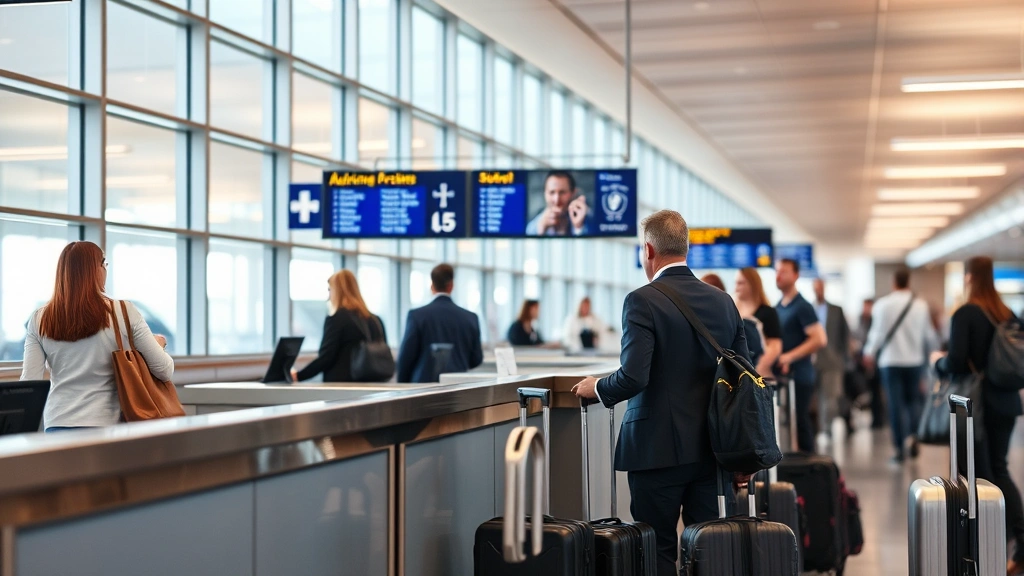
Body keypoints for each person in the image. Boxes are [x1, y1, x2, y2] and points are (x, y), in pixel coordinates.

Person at [571, 210, 750, 576]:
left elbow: (634, 376)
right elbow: (744, 376)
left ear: (648, 250)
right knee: (713, 550)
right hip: (714, 450)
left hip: (656, 452)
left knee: (657, 552)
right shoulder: (723, 303)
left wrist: (597, 388)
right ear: (686, 248)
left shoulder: (642, 300)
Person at [931, 257, 1024, 574]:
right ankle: (1019, 544)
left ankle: (984, 545)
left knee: (978, 477)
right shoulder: (1007, 313)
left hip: (975, 407)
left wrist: (937, 363)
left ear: (969, 277)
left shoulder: (966, 313)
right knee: (999, 470)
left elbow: (956, 360)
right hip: (1006, 402)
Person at [20, 241, 173, 431]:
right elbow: (164, 370)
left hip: (58, 425)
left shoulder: (40, 318)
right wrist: (159, 344)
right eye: (104, 264)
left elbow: (29, 382)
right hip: (107, 427)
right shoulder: (123, 311)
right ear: (97, 269)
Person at [863, 268, 937, 462]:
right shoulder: (920, 306)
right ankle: (913, 437)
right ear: (908, 282)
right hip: (914, 361)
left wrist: (868, 353)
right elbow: (929, 335)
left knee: (895, 405)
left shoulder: (882, 305)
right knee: (914, 402)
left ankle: (898, 448)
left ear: (894, 282)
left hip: (890, 361)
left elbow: (877, 334)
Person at [290, 270, 387, 383]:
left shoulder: (337, 319)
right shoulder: (375, 320)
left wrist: (299, 376)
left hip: (342, 386)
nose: (328, 297)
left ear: (337, 291)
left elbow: (326, 358)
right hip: (373, 383)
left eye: (330, 290)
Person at [396, 264, 483, 383]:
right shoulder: (470, 318)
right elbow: (476, 359)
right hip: (459, 387)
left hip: (422, 389)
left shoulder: (417, 316)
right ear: (451, 286)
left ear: (432, 286)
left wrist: (402, 387)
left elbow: (406, 358)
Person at [774, 258, 827, 453]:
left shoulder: (802, 306)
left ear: (796, 276)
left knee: (801, 421)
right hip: (784, 376)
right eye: (777, 271)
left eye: (784, 272)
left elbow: (820, 339)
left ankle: (809, 467)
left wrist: (789, 357)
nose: (778, 276)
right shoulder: (778, 306)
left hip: (800, 376)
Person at [812, 278, 851, 439]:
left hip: (832, 360)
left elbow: (845, 334)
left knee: (830, 397)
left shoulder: (836, 310)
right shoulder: (809, 309)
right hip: (813, 359)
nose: (818, 291)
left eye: (820, 288)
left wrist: (843, 357)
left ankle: (826, 428)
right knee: (815, 396)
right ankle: (818, 427)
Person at [735, 267, 782, 377]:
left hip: (759, 374)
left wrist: (758, 368)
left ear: (752, 284)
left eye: (741, 283)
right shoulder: (733, 311)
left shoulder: (767, 313)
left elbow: (775, 346)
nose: (736, 288)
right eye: (736, 283)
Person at [853, 298, 886, 429]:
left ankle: (879, 419)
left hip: (876, 362)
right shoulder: (860, 321)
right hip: (863, 362)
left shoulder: (877, 322)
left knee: (877, 392)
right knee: (868, 391)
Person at [525, 170, 589, 236]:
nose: (556, 200)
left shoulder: (586, 221)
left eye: (562, 192)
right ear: (545, 194)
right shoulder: (533, 227)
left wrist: (578, 228)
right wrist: (541, 229)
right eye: (552, 192)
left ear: (573, 193)